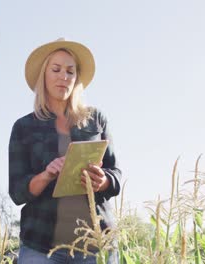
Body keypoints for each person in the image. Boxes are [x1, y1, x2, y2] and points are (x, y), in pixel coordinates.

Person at [8, 38, 121, 264]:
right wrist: (46, 175)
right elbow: (17, 192)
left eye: (70, 71)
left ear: (76, 78)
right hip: (40, 247)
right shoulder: (23, 127)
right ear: (44, 75)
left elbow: (115, 175)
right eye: (56, 69)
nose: (64, 77)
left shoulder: (96, 119)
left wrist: (103, 181)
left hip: (96, 244)